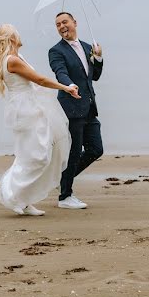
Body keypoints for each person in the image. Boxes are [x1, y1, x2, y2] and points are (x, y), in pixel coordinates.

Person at [0, 24, 80, 216]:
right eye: (16, 32)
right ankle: (11, 191)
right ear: (12, 38)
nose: (20, 34)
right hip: (25, 110)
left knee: (34, 153)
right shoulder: (12, 60)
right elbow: (40, 80)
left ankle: (24, 199)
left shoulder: (17, 57)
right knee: (37, 155)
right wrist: (66, 87)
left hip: (30, 107)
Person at [48, 11, 104, 209]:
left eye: (65, 22)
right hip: (70, 107)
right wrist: (69, 85)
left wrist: (98, 58)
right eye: (58, 25)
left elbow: (94, 77)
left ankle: (62, 179)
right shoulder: (56, 51)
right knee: (73, 151)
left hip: (89, 107)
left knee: (96, 149)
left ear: (75, 23)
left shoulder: (88, 47)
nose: (62, 26)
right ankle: (65, 196)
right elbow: (60, 72)